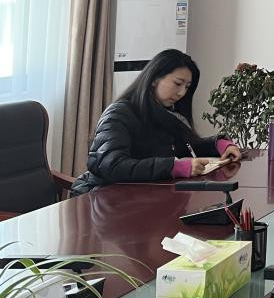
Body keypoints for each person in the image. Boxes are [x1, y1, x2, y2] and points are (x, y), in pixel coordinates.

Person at [70, 49, 241, 195]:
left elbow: (186, 147)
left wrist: (219, 144)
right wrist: (173, 167)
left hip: (145, 197)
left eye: (187, 87)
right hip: (106, 199)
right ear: (154, 79)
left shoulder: (167, 113)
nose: (182, 93)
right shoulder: (119, 114)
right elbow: (112, 165)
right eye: (178, 83)